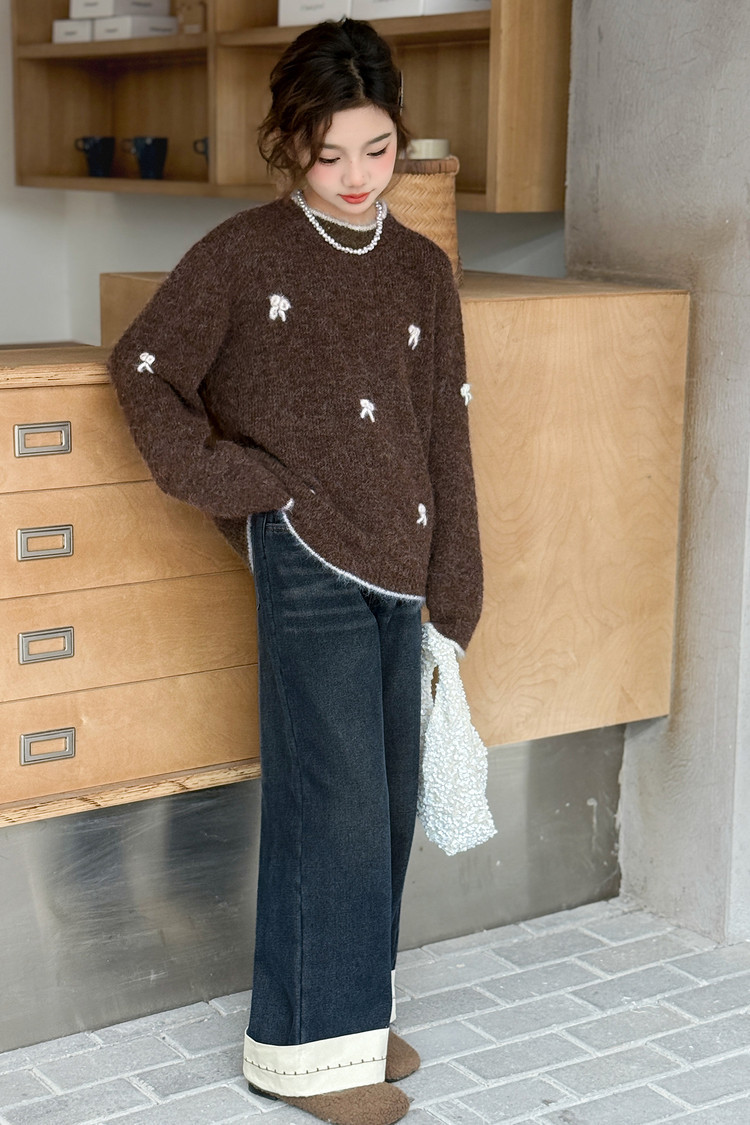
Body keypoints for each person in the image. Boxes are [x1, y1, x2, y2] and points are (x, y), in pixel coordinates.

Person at [107, 17, 482, 1125]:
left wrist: (457, 582)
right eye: (330, 155)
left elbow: (445, 429)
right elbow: (143, 367)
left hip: (403, 557)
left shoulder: (421, 271)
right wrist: (240, 483)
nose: (358, 176)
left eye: (378, 149)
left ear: (399, 136)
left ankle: (347, 1016)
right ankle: (308, 1054)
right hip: (308, 556)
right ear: (289, 143)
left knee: (389, 802)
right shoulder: (243, 255)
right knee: (336, 805)